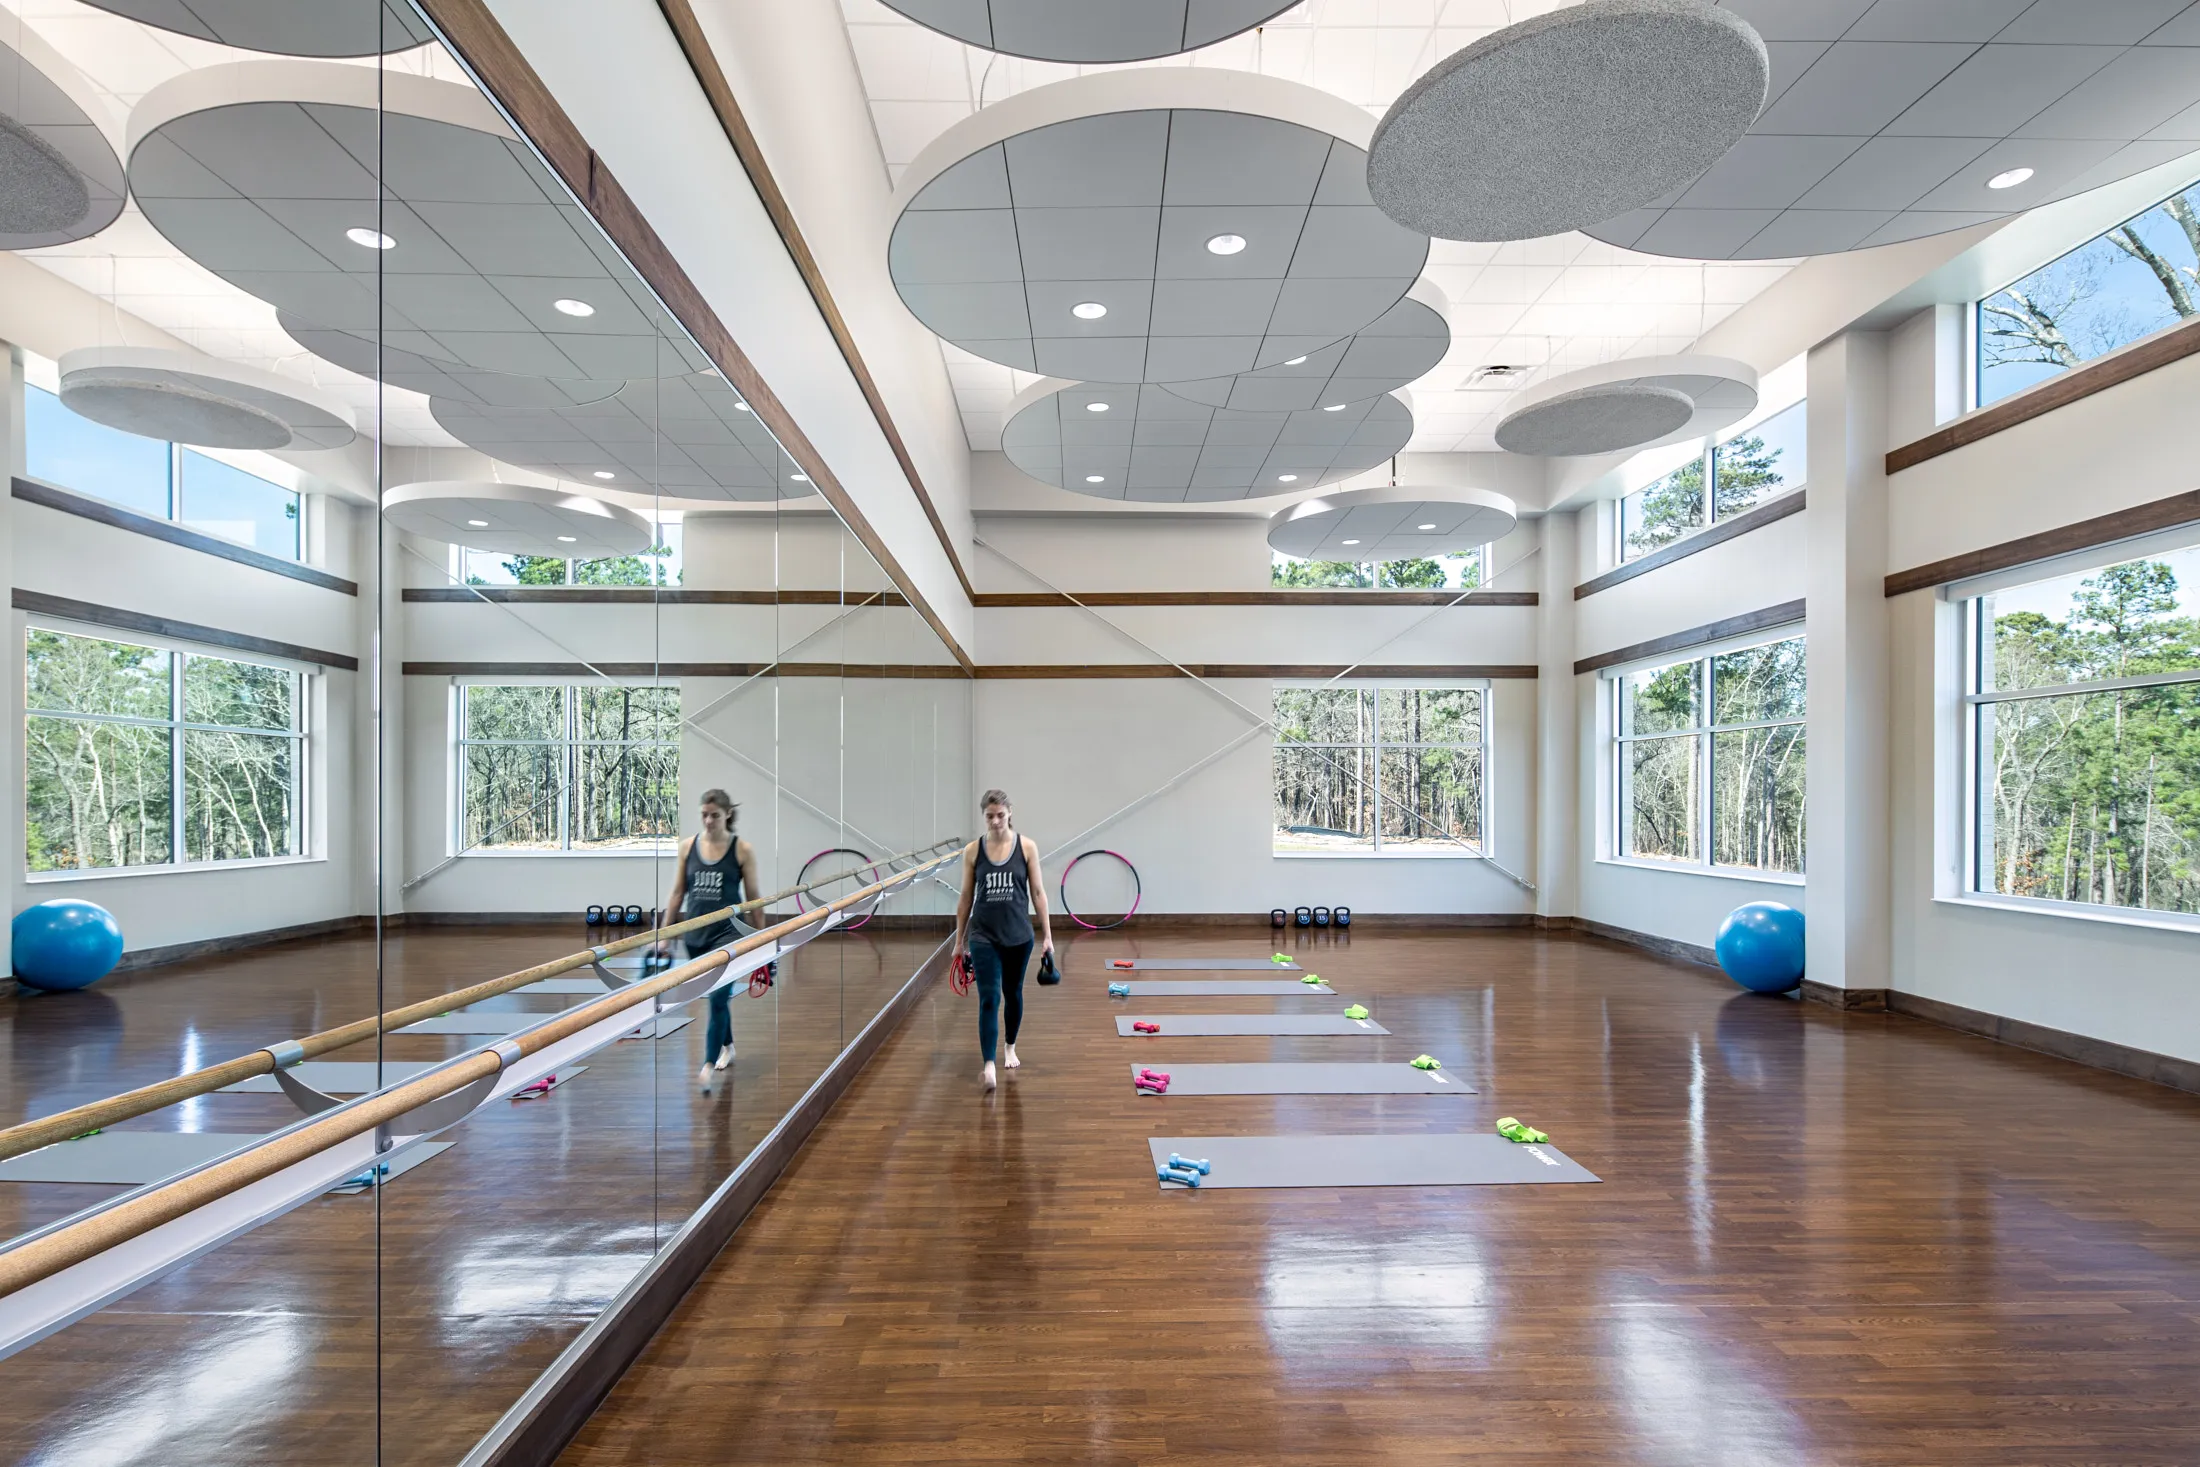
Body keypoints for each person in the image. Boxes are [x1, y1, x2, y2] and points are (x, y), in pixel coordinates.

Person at [657, 788, 760, 1093]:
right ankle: (727, 1045)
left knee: (717, 997)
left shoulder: (742, 850)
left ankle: (706, 1066)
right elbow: (677, 893)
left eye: (714, 815)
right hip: (696, 934)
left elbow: (754, 897)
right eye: (704, 814)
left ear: (727, 814)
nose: (708, 820)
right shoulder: (688, 847)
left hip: (728, 934)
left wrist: (765, 939)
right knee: (715, 996)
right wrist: (665, 935)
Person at [953, 788, 1054, 1091]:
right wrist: (959, 942)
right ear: (983, 816)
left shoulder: (1027, 847)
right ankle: (988, 1065)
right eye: (989, 816)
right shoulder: (973, 851)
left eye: (1000, 815)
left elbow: (1038, 893)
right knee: (989, 998)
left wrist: (1048, 936)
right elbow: (966, 897)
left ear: (1010, 812)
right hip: (983, 936)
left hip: (1019, 937)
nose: (995, 821)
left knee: (1013, 993)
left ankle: (1009, 1046)